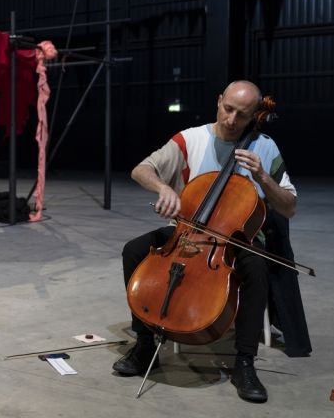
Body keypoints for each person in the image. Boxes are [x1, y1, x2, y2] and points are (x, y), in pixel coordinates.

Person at [114, 80, 297, 403]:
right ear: (218, 101)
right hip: (188, 231)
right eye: (228, 109)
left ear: (256, 115)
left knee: (256, 265)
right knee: (134, 249)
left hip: (236, 240)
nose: (231, 120)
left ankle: (244, 361)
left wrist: (263, 178)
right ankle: (145, 344)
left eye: (242, 115)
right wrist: (164, 188)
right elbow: (141, 169)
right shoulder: (190, 138)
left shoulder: (265, 147)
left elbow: (289, 207)